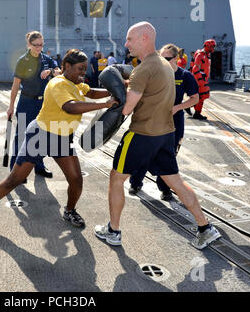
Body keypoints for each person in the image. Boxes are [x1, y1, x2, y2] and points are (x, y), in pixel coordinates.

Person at [94, 22, 221, 250]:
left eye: (130, 39)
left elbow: (126, 109)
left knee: (116, 179)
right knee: (176, 182)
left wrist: (111, 101)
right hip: (166, 134)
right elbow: (150, 90)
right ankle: (205, 228)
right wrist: (129, 84)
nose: (126, 44)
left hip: (142, 134)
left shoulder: (142, 69)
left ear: (144, 38)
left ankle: (113, 231)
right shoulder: (164, 64)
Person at [0, 49, 117, 231]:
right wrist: (105, 104)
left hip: (62, 136)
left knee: (76, 179)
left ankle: (69, 211)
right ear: (67, 66)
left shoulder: (76, 83)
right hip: (41, 134)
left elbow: (91, 92)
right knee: (14, 180)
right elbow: (70, 107)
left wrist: (121, 86)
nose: (83, 72)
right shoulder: (58, 84)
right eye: (80, 68)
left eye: (85, 69)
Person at [129, 43, 199, 201]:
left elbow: (195, 98)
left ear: (176, 58)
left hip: (174, 123)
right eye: (161, 58)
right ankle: (135, 182)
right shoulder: (154, 73)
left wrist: (178, 107)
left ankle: (165, 188)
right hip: (152, 121)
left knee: (168, 156)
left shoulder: (185, 76)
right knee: (145, 153)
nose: (163, 61)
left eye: (167, 58)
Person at [7, 31, 61, 181]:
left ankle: (39, 167)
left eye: (41, 44)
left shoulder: (47, 59)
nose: (39, 48)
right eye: (36, 45)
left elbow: (59, 71)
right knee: (21, 136)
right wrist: (11, 106)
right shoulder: (23, 61)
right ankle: (15, 171)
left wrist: (50, 71)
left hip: (43, 104)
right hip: (26, 102)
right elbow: (15, 85)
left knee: (40, 136)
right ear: (29, 45)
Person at [192, 39, 216, 120]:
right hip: (200, 79)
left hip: (203, 79)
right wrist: (200, 80)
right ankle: (196, 113)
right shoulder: (200, 55)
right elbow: (195, 68)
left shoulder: (206, 55)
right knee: (201, 97)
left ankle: (192, 109)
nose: (213, 48)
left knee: (202, 96)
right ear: (208, 46)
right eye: (212, 46)